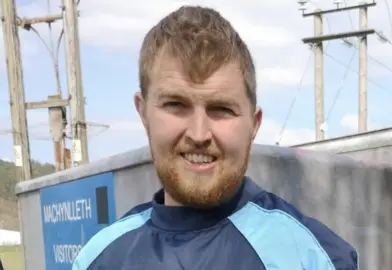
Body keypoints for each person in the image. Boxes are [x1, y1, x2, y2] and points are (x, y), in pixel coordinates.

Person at [72, 5, 358, 270]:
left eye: (221, 109)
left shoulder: (313, 258)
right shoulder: (97, 259)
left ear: (254, 124)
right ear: (143, 112)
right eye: (175, 105)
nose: (199, 134)